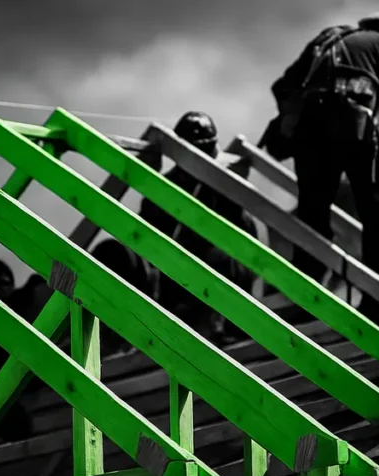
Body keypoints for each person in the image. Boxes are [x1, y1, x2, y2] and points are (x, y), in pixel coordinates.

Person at [265, 12, 379, 328]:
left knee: (313, 213)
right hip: (357, 130)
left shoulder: (328, 39)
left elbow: (283, 85)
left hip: (310, 132)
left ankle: (309, 294)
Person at [92, 111, 259, 348]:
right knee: (113, 254)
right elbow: (144, 238)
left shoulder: (226, 186)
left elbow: (246, 245)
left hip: (211, 277)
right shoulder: (163, 189)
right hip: (171, 281)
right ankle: (114, 333)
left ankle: (221, 327)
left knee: (222, 258)